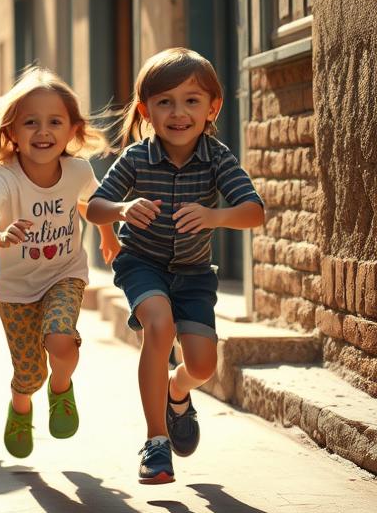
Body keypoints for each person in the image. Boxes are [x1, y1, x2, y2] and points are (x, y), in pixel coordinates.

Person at [86, 48, 264, 485]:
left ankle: (178, 391)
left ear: (212, 108)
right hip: (140, 263)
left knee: (203, 365)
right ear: (147, 111)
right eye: (165, 102)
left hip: (194, 274)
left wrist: (215, 216)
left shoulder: (218, 158)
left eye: (191, 100)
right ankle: (156, 443)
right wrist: (123, 209)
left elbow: (254, 211)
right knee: (158, 327)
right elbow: (94, 208)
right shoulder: (135, 159)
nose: (178, 112)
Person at [0, 68, 119, 460]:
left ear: (72, 131)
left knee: (61, 338)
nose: (43, 131)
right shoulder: (4, 178)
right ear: (12, 133)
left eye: (54, 122)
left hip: (63, 273)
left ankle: (62, 388)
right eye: (30, 122)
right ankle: (21, 404)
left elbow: (90, 203)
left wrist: (107, 234)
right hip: (14, 289)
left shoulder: (78, 170)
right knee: (30, 372)